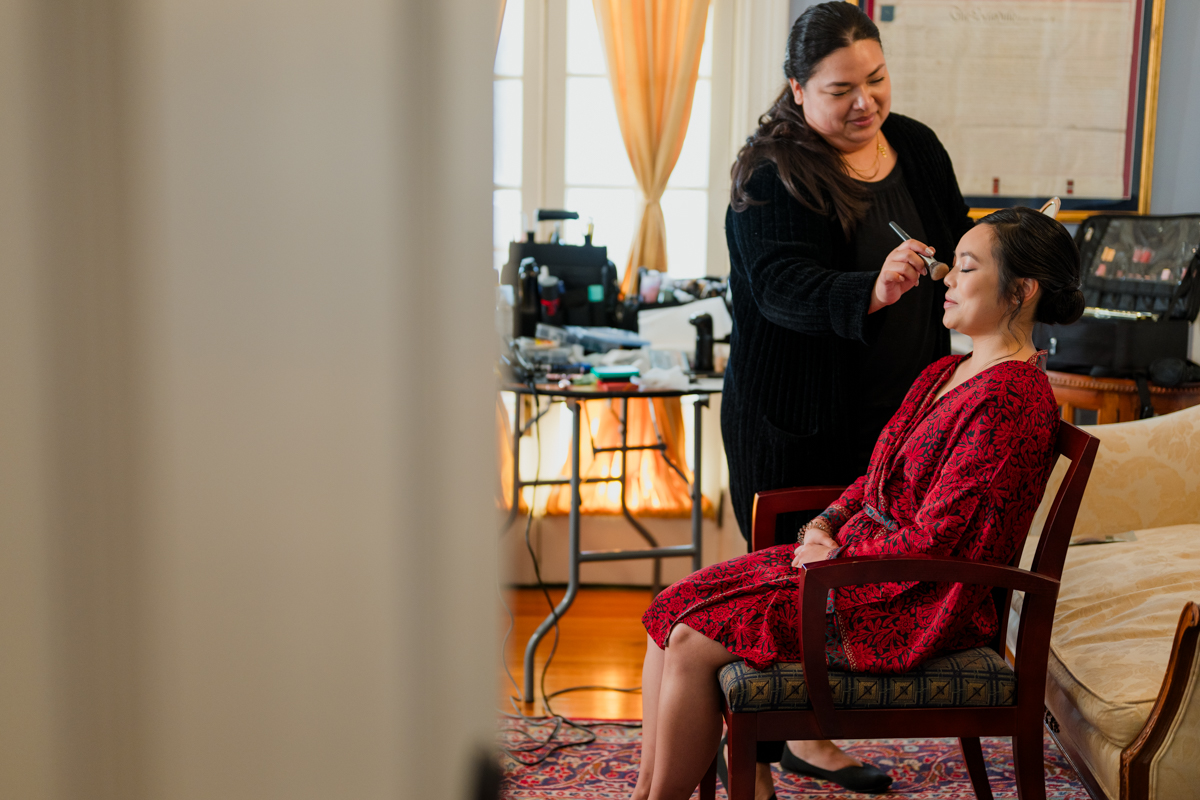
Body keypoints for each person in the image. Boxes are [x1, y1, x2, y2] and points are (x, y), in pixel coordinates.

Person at [631, 207, 1086, 800]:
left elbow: (937, 540)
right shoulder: (950, 370)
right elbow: (874, 478)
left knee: (692, 639)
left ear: (1022, 290)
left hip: (916, 599)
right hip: (860, 566)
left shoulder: (1011, 399)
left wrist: (835, 553)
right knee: (670, 608)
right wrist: (820, 528)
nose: (945, 277)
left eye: (967, 268)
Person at [719, 3, 975, 790]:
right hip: (791, 420)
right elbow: (781, 288)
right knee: (780, 586)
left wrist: (989, 257)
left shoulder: (918, 147)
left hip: (894, 420)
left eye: (876, 79)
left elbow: (959, 239)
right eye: (840, 90)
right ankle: (754, 761)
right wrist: (873, 287)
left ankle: (812, 735)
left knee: (847, 593)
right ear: (797, 89)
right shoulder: (771, 173)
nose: (865, 102)